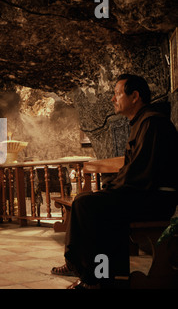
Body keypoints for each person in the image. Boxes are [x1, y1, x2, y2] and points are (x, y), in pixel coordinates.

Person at [51, 74, 178, 289]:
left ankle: (93, 278)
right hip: (144, 194)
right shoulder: (142, 122)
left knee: (86, 205)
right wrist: (112, 187)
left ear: (135, 96)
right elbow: (135, 169)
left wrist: (111, 187)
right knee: (90, 204)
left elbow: (142, 170)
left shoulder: (153, 123)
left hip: (156, 198)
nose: (113, 99)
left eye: (118, 93)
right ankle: (106, 277)